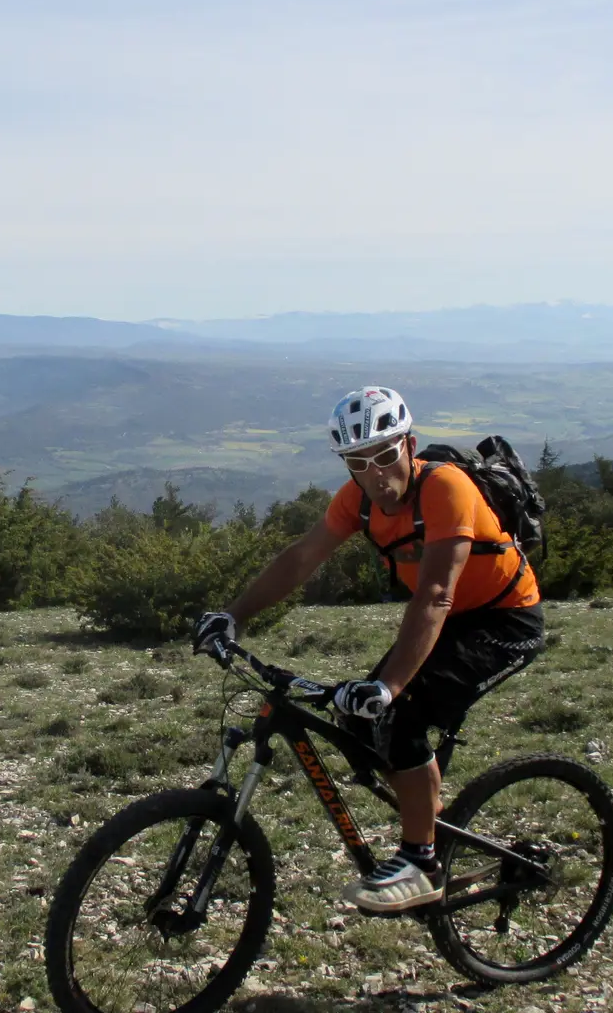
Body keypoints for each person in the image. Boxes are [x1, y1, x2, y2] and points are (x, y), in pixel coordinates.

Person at [194, 385, 543, 912]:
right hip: (445, 621)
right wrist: (233, 614)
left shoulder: (445, 488)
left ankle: (422, 861)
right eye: (359, 462)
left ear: (410, 445)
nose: (376, 473)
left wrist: (388, 686)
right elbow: (300, 559)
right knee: (359, 721)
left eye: (385, 455)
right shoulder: (355, 500)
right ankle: (424, 801)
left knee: (398, 715)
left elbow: (435, 593)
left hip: (503, 620)